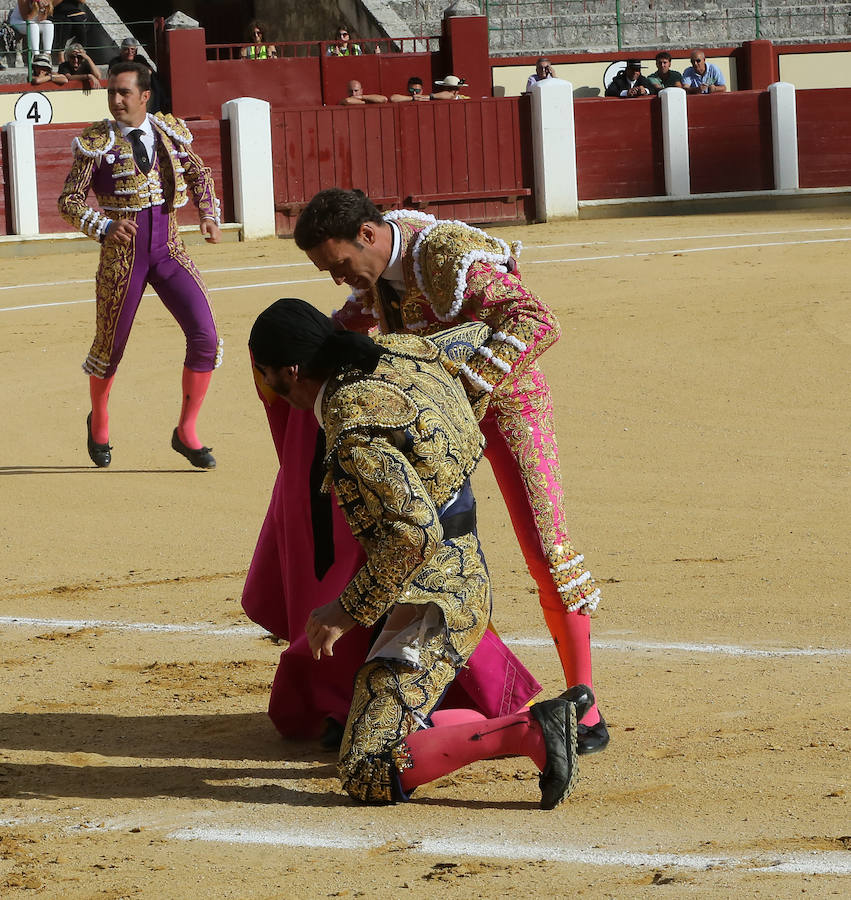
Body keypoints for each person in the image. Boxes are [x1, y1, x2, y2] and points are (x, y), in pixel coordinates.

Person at [293, 189, 610, 755]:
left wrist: (461, 390)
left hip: (506, 408)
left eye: (339, 264)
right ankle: (412, 696)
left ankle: (585, 706)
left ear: (368, 235)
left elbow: (536, 318)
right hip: (437, 429)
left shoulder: (444, 252)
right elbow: (348, 328)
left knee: (546, 550)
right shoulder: (374, 277)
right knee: (414, 547)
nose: (340, 279)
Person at [249, 297, 594, 807]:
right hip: (456, 571)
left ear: (290, 371)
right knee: (384, 720)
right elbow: (476, 338)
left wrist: (344, 611)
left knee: (366, 768)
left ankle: (530, 731)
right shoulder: (402, 351)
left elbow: (413, 536)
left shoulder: (351, 429)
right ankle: (509, 727)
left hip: (434, 598)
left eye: (265, 374)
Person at [57, 61, 223, 470]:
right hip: (122, 258)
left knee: (206, 336)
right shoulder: (96, 142)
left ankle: (186, 431)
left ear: (145, 96)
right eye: (112, 91)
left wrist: (208, 213)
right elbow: (69, 201)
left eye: (124, 92)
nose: (115, 100)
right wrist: (105, 225)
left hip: (169, 249)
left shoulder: (169, 131)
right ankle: (100, 419)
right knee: (110, 348)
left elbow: (199, 173)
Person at [107, 37, 168, 114]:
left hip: (140, 84)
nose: (130, 52)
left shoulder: (139, 59)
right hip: (124, 86)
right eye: (126, 49)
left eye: (132, 49)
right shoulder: (115, 61)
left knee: (154, 79)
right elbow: (113, 73)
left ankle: (160, 105)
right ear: (121, 51)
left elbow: (149, 71)